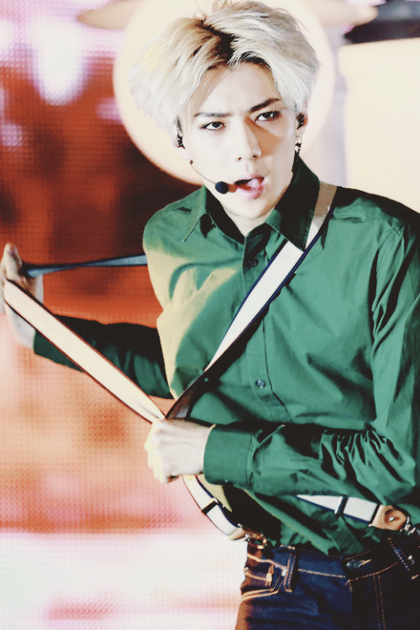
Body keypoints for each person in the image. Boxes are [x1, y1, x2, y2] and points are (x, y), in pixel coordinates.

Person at [2, 1, 420, 627]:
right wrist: (44, 331)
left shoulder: (385, 241)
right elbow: (196, 372)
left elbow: (401, 463)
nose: (246, 149)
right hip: (277, 575)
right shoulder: (172, 239)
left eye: (266, 115)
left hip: (398, 569)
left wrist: (215, 451)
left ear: (301, 118)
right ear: (181, 138)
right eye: (214, 124)